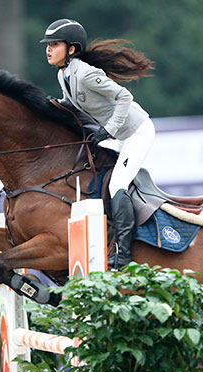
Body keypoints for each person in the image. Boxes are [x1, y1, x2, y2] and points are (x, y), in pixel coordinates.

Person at [41, 19, 155, 269]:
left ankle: (124, 254)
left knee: (117, 184)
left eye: (55, 44)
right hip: (117, 136)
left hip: (136, 132)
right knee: (96, 179)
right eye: (48, 45)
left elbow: (125, 97)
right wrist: (54, 106)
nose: (48, 49)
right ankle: (108, 241)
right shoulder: (64, 74)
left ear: (71, 49)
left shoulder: (86, 73)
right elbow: (75, 103)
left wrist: (109, 130)